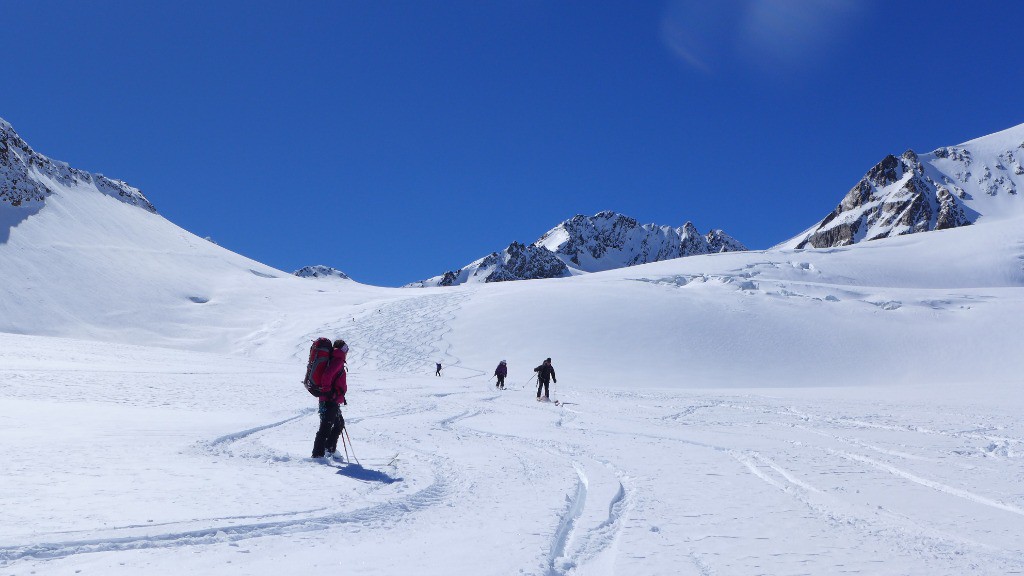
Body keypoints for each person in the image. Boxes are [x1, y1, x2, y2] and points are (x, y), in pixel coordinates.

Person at [312, 339, 348, 459]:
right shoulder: (337, 360)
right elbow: (327, 375)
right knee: (325, 428)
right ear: (342, 349)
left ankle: (329, 450)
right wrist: (328, 392)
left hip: (332, 399)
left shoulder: (336, 359)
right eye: (346, 348)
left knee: (339, 424)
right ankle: (318, 456)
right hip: (329, 400)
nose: (347, 351)